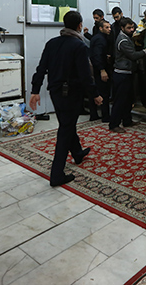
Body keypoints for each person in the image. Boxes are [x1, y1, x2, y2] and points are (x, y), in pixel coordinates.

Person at [30, 11, 102, 187]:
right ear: (79, 25)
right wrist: (95, 94)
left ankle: (77, 153)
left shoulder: (52, 43)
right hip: (71, 94)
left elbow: (41, 68)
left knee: (67, 124)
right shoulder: (79, 46)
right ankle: (57, 174)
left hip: (55, 92)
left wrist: (35, 90)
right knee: (65, 129)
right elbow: (86, 76)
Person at [110, 17, 146, 132]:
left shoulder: (127, 37)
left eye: (132, 27)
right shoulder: (123, 40)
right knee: (120, 100)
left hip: (128, 73)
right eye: (129, 28)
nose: (132, 30)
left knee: (128, 100)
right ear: (122, 28)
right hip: (121, 74)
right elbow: (133, 55)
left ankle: (127, 120)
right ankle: (114, 124)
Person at [89, 19, 112, 122]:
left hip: (96, 68)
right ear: (101, 28)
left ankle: (94, 114)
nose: (109, 29)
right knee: (104, 93)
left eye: (110, 27)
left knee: (97, 91)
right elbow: (97, 55)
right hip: (100, 69)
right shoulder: (100, 39)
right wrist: (102, 69)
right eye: (107, 27)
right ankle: (105, 116)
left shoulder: (98, 37)